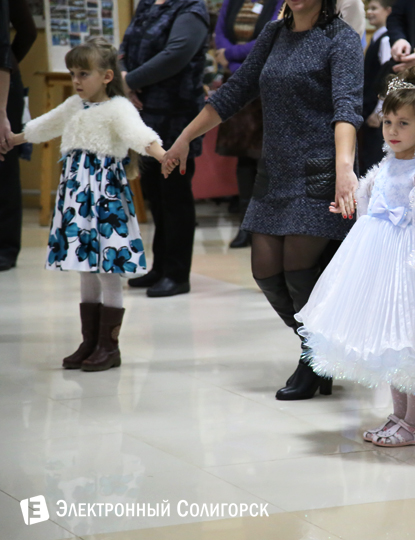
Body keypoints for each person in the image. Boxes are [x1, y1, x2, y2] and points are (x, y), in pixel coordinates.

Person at [162, 0, 364, 401]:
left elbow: (347, 107)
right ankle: (323, 349)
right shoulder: (273, 34)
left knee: (298, 269)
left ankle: (314, 358)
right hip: (274, 170)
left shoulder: (341, 39)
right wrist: (185, 138)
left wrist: (345, 167)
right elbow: (233, 92)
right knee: (264, 269)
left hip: (319, 170)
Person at [297, 68, 415, 446]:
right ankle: (398, 416)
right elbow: (370, 199)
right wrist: (349, 207)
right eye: (388, 121)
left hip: (407, 262)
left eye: (403, 123)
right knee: (388, 337)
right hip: (375, 259)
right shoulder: (385, 165)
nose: (392, 130)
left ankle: (414, 424)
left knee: (409, 339)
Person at [0, 39, 166, 372]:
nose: (76, 80)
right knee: (86, 267)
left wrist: (162, 154)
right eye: (73, 73)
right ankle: (89, 341)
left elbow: (139, 134)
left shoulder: (118, 107)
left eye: (83, 73)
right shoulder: (76, 105)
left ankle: (110, 345)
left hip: (104, 198)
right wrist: (15, 139)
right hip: (77, 195)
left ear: (106, 76)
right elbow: (46, 123)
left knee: (108, 269)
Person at [119, 0, 209, 298]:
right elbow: (126, 47)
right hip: (143, 115)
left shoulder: (191, 9)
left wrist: (129, 81)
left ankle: (177, 273)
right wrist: (123, 81)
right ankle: (160, 266)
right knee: (155, 195)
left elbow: (176, 55)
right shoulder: (147, 3)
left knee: (175, 197)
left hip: (176, 117)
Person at [214, 0, 285, 249]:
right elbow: (220, 35)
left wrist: (232, 58)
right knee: (243, 158)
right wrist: (237, 67)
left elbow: (271, 37)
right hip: (238, 85)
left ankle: (265, 226)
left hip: (266, 85)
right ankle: (245, 225)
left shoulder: (280, 3)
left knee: (265, 158)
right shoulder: (232, 2)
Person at [0, 0, 35, 272]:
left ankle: (6, 247)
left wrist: (10, 64)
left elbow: (28, 31)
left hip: (4, 82)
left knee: (4, 159)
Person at [358, 0, 394, 175]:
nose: (369, 12)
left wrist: (380, 111)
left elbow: (388, 77)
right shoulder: (377, 38)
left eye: (374, 8)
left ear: (388, 11)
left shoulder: (386, 40)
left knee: (374, 161)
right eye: (368, 9)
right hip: (368, 110)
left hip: (376, 113)